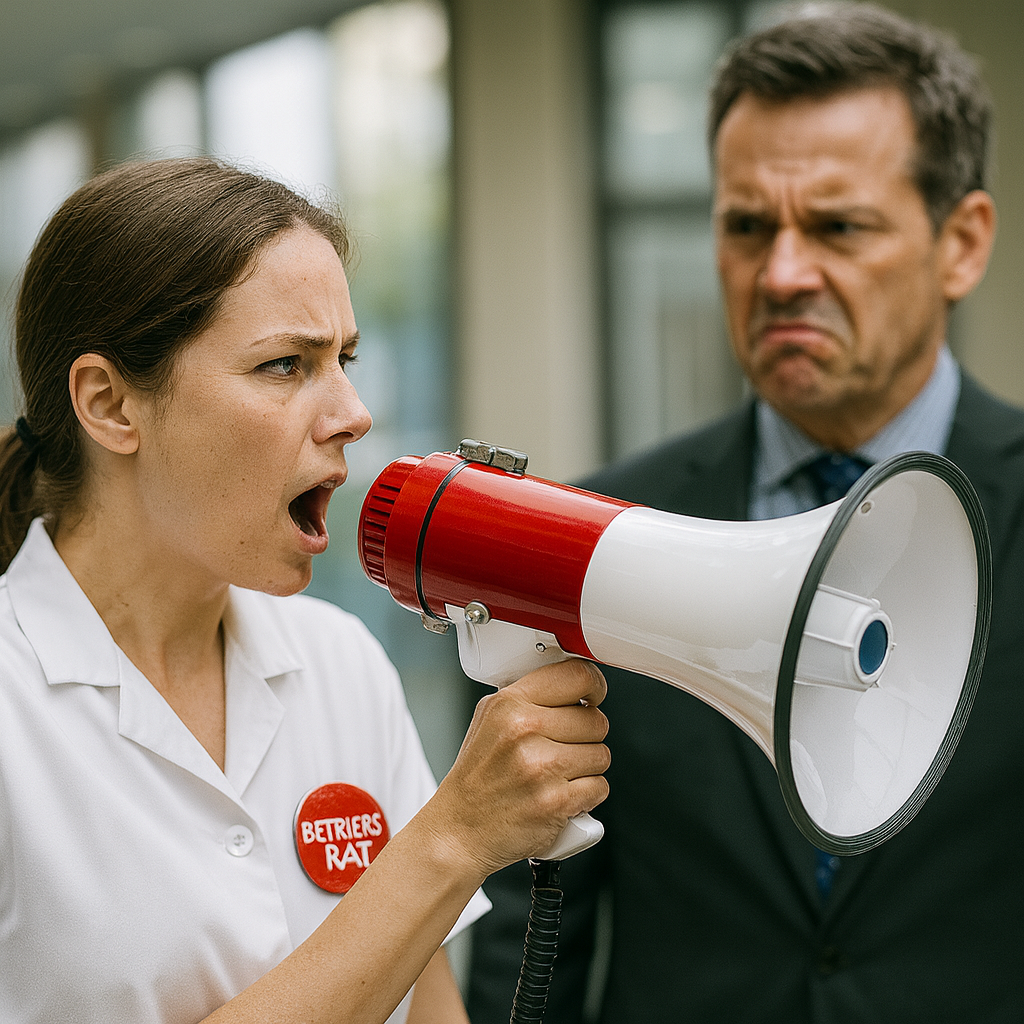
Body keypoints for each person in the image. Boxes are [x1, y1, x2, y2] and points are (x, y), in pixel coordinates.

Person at [467, 4, 1024, 1021]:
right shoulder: (597, 534)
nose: (780, 274)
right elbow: (531, 925)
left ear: (962, 243)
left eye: (838, 226)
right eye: (745, 226)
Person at [0, 157, 611, 1024]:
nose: (355, 411)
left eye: (345, 358)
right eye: (287, 365)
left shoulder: (339, 664)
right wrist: (455, 836)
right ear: (110, 404)